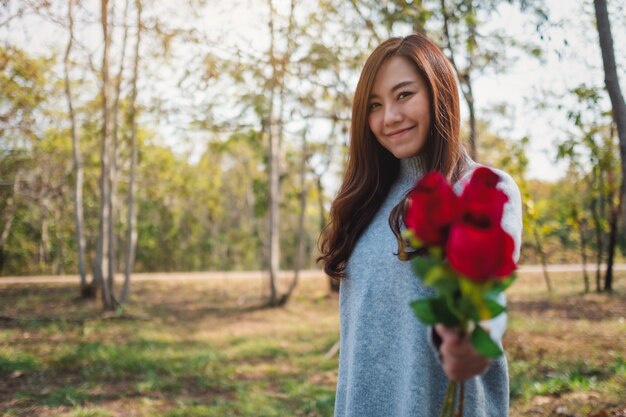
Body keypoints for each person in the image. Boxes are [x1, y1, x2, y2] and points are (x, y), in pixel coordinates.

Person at [318, 34, 522, 417]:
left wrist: (471, 344)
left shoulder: (482, 189)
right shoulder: (363, 201)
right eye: (374, 105)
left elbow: (488, 305)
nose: (389, 117)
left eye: (404, 95)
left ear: (438, 94)